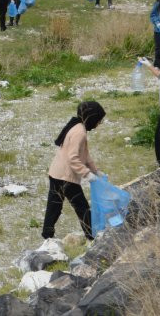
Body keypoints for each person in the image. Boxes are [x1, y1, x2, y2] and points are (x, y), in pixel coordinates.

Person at [41, 101, 106, 241]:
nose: (98, 124)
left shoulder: (76, 126)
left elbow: (85, 154)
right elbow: (73, 158)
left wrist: (95, 171)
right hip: (66, 176)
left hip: (56, 172)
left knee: (54, 205)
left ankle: (47, 233)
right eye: (98, 121)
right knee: (81, 206)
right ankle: (92, 235)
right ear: (92, 118)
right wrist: (87, 174)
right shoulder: (80, 132)